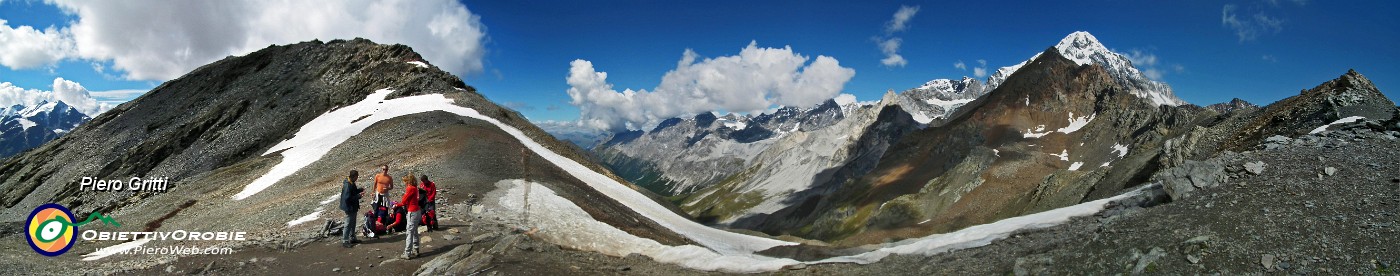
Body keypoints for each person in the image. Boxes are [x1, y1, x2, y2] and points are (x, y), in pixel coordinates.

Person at [395, 173, 422, 259]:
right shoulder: (415, 188)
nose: (404, 183)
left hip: (412, 211)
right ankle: (416, 249)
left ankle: (407, 253)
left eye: (405, 181)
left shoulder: (410, 188)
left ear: (408, 181)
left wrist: (397, 205)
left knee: (409, 232)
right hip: (417, 211)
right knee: (414, 231)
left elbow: (404, 201)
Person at [338, 170, 364, 247]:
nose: (357, 178)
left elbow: (353, 192)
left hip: (353, 207)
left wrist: (360, 190)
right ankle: (345, 240)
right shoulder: (348, 185)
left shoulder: (351, 183)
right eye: (357, 176)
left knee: (353, 223)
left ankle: (352, 237)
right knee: (348, 223)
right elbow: (347, 198)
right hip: (349, 207)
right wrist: (358, 196)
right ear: (354, 176)